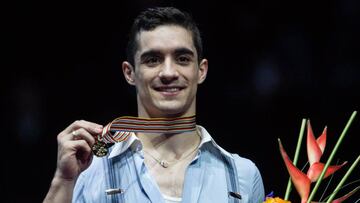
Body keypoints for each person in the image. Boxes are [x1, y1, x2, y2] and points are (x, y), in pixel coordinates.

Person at [43, 7, 265, 203]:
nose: (168, 73)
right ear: (130, 73)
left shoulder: (242, 175)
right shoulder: (90, 172)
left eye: (182, 59)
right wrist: (63, 180)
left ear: (201, 70)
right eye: (153, 60)